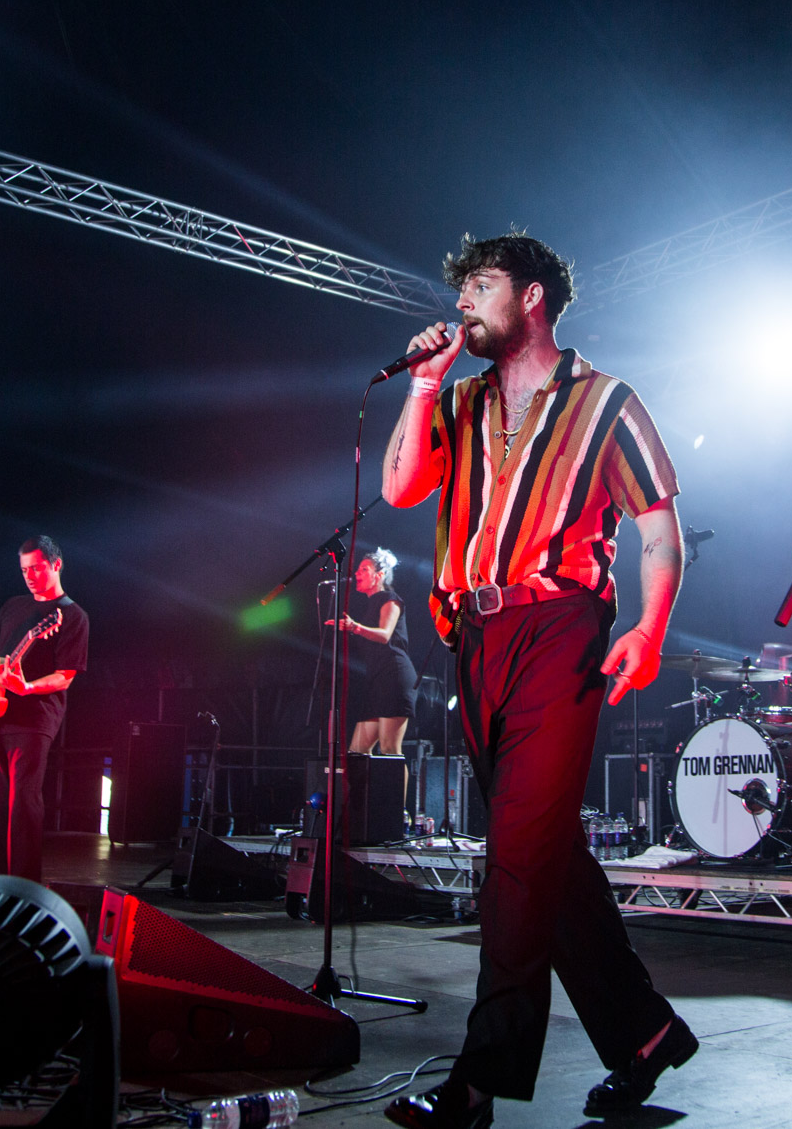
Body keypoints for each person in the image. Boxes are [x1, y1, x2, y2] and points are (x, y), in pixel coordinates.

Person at [379, 233, 694, 1128]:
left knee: (515, 859)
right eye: (464, 289)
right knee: (543, 854)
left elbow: (661, 530)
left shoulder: (607, 403)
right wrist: (423, 383)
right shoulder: (463, 396)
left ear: (533, 297)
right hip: (472, 633)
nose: (465, 304)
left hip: (560, 625)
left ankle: (478, 1082)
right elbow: (403, 492)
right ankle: (644, 1034)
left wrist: (649, 626)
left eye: (481, 287)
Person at [0, 536, 90, 883]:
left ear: (56, 564)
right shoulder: (13, 606)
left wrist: (27, 686)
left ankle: (25, 885)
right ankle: (1, 883)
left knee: (24, 801)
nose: (29, 576)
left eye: (36, 568)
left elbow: (65, 677)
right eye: (24, 570)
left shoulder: (72, 615)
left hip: (35, 718)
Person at [333, 548, 417, 757]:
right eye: (358, 569)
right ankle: (363, 791)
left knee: (389, 749)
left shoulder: (390, 599)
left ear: (379, 576)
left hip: (394, 677)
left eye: (364, 569)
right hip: (377, 680)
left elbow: (384, 635)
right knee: (357, 752)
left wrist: (356, 628)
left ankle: (396, 791)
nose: (357, 574)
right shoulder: (370, 605)